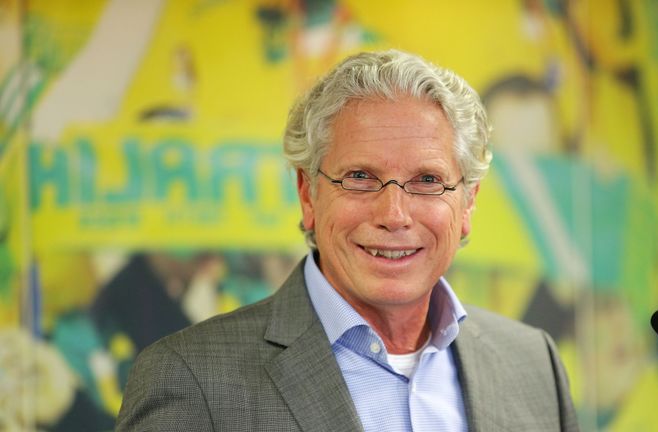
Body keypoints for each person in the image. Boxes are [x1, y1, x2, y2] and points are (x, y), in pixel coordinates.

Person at [115, 50, 579, 431]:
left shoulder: (533, 362)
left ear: (468, 204)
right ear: (308, 194)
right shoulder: (191, 379)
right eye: (360, 177)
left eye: (427, 179)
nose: (394, 215)